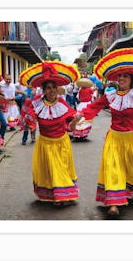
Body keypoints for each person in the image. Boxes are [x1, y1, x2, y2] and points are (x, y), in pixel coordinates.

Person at [73, 48, 133, 216]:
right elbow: (94, 106)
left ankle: (131, 191)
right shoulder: (111, 95)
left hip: (132, 139)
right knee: (112, 168)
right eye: (119, 76)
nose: (122, 79)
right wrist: (78, 116)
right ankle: (113, 204)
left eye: (125, 76)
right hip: (114, 138)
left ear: (132, 79)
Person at [19, 61, 80, 205]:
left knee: (62, 170)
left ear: (58, 89)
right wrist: (27, 114)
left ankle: (64, 195)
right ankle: (58, 196)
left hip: (62, 143)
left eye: (54, 87)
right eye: (48, 88)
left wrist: (75, 121)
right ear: (43, 90)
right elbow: (29, 121)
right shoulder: (37, 104)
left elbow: (70, 127)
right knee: (52, 170)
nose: (52, 90)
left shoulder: (63, 104)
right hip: (46, 145)